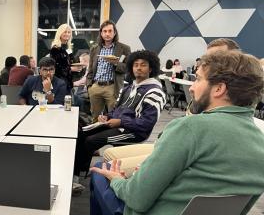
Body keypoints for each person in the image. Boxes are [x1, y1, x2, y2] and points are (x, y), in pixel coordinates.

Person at [82, 51, 264, 215]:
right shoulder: (260, 144)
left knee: (100, 175)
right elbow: (234, 212)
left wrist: (118, 180)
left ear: (219, 89)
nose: (191, 87)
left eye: (198, 80)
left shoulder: (190, 128)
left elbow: (137, 199)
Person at [103, 37, 243, 168]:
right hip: (173, 147)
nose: (192, 88)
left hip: (185, 159)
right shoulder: (208, 96)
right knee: (107, 158)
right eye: (207, 59)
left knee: (105, 169)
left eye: (217, 60)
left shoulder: (232, 104)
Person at [73, 50, 165, 180]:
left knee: (91, 140)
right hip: (117, 125)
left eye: (143, 65)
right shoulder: (128, 87)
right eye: (135, 64)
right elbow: (116, 109)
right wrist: (107, 116)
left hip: (134, 132)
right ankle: (78, 171)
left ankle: (78, 176)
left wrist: (121, 122)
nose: (138, 68)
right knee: (81, 133)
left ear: (151, 69)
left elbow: (146, 124)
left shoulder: (155, 92)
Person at [87, 20, 131, 121]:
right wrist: (89, 86)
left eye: (110, 31)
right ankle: (96, 136)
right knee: (95, 118)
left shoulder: (124, 48)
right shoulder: (94, 49)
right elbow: (90, 70)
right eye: (105, 31)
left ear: (114, 33)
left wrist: (115, 63)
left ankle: (110, 136)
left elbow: (127, 68)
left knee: (114, 117)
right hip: (95, 87)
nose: (107, 34)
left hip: (112, 87)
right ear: (101, 33)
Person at [50, 24, 74, 92]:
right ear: (60, 33)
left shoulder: (68, 48)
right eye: (65, 32)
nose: (67, 34)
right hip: (59, 82)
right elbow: (55, 67)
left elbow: (71, 62)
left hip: (68, 82)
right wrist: (70, 68)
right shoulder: (55, 48)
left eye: (69, 32)